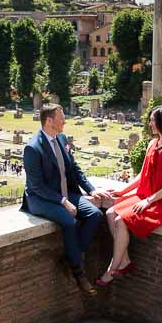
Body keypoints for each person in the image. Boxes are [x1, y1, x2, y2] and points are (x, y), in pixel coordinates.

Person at [21, 104, 112, 294]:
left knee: (95, 215)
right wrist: (63, 202)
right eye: (61, 117)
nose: (65, 120)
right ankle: (78, 272)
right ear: (49, 121)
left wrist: (92, 190)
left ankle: (72, 257)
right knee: (70, 222)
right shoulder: (32, 148)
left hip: (65, 193)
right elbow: (37, 186)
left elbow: (74, 169)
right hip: (40, 199)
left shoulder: (61, 138)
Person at [95, 105, 162, 288]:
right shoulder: (152, 144)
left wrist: (148, 201)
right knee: (110, 212)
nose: (150, 123)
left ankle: (111, 270)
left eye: (153, 120)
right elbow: (141, 175)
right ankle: (125, 261)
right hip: (148, 195)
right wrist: (122, 192)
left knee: (121, 220)